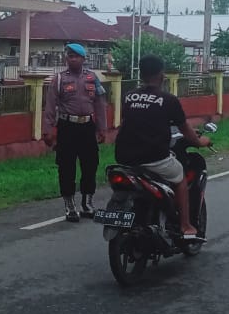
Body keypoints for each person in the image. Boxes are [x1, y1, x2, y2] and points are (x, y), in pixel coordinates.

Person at [114, 54, 211, 239]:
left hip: (124, 156)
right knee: (180, 177)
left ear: (141, 74)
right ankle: (185, 225)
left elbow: (137, 120)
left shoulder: (128, 96)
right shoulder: (168, 100)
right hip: (153, 157)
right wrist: (200, 142)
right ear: (161, 75)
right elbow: (186, 129)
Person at [42, 42, 109, 222]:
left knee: (90, 165)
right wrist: (47, 130)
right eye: (70, 56)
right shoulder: (59, 79)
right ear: (67, 59)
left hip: (87, 127)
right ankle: (69, 205)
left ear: (83, 59)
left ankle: (87, 203)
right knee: (66, 167)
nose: (72, 59)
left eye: (76, 56)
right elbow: (50, 106)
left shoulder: (92, 78)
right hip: (67, 127)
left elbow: (100, 104)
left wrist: (102, 128)